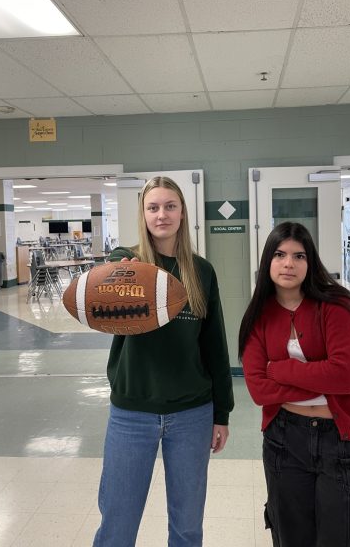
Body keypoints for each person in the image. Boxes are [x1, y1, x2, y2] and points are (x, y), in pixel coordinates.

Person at [93, 176, 234, 547]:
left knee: (187, 528)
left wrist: (223, 413)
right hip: (132, 413)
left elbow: (214, 346)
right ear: (142, 213)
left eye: (170, 206)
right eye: (153, 207)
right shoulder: (127, 261)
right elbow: (103, 289)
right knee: (117, 526)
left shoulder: (201, 272)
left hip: (192, 414)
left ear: (183, 212)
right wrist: (115, 271)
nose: (162, 214)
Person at [239, 222, 350, 547]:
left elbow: (344, 378)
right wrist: (321, 378)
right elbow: (259, 390)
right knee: (290, 538)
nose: (289, 263)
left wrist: (281, 369)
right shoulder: (259, 315)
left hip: (341, 442)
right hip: (284, 440)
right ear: (267, 262)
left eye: (299, 255)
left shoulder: (337, 306)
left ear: (310, 261)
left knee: (346, 538)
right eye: (280, 254)